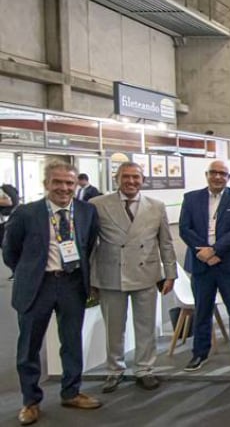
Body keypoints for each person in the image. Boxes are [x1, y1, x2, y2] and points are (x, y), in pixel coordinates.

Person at [3, 163, 102, 426]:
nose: (64, 188)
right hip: (38, 286)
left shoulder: (86, 211)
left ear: (76, 185)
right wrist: (29, 272)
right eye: (57, 182)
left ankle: (71, 392)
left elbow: (88, 244)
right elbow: (10, 251)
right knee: (29, 346)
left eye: (69, 183)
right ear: (46, 184)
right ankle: (30, 401)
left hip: (72, 284)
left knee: (72, 341)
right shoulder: (26, 213)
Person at [92, 162, 176, 392]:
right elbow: (89, 244)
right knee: (114, 327)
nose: (131, 181)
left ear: (143, 180)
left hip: (146, 273)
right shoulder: (98, 205)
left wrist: (170, 274)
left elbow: (166, 242)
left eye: (135, 177)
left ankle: (144, 369)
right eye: (126, 177)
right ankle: (114, 369)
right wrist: (91, 277)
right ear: (116, 179)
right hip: (111, 274)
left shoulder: (156, 206)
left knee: (146, 326)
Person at [178, 160, 230, 372]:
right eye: (214, 173)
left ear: (228, 178)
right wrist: (203, 252)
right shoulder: (191, 198)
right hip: (201, 263)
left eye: (222, 173)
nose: (218, 177)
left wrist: (215, 250)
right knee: (202, 310)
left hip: (229, 262)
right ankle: (199, 353)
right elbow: (184, 229)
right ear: (207, 175)